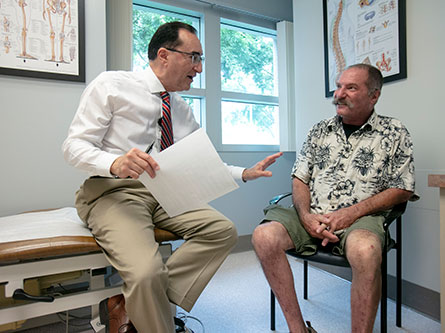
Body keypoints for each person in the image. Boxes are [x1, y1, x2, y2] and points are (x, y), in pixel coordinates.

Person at [62, 21, 282, 333]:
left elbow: (204, 163)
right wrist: (114, 162)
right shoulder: (111, 85)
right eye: (194, 57)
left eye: (201, 60)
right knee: (146, 273)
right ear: (164, 55)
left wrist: (243, 173)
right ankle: (151, 312)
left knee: (222, 230)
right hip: (113, 192)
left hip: (163, 192)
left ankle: (134, 304)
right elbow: (73, 147)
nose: (199, 68)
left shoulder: (179, 109)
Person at [252, 63, 417, 333]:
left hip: (361, 220)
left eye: (351, 87)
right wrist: (305, 217)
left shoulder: (394, 132)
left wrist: (350, 214)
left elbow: (403, 188)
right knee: (263, 236)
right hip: (313, 214)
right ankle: (298, 329)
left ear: (374, 96)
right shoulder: (319, 130)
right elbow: (300, 177)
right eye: (339, 86)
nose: (339, 94)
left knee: (366, 251)